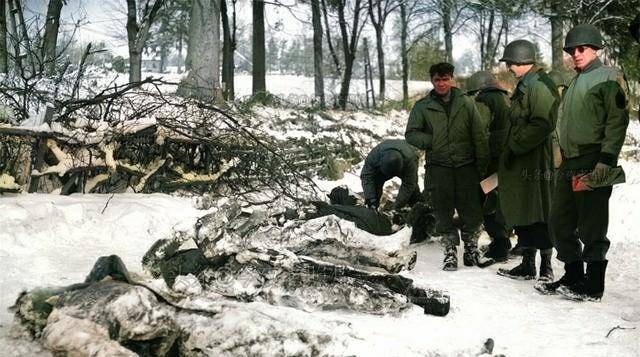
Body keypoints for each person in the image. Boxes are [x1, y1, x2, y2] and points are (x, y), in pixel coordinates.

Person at [536, 24, 629, 301]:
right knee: (559, 221)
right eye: (572, 50)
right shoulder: (575, 81)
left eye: (581, 49)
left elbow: (617, 121)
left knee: (592, 222)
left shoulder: (609, 77)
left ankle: (594, 284)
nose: (576, 54)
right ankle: (574, 274)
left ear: (595, 49)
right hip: (570, 162)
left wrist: (606, 160)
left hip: (593, 159)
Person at [405, 62, 490, 271]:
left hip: (466, 165)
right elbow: (411, 134)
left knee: (471, 209)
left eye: (445, 79)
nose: (441, 83)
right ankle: (450, 251)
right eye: (437, 80)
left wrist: (482, 165)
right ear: (431, 81)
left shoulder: (466, 103)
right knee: (442, 210)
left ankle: (471, 249)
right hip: (439, 166)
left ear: (452, 79)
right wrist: (432, 141)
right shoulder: (422, 106)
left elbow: (478, 134)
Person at [495, 40, 558, 282]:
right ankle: (527, 264)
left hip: (534, 160)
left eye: (510, 62)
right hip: (523, 159)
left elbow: (542, 124)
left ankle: (546, 267)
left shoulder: (540, 85)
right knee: (523, 209)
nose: (508, 67)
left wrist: (515, 146)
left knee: (540, 209)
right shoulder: (527, 83)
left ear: (521, 61)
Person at [465, 71, 512, 262]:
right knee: (503, 199)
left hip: (492, 157)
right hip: (508, 156)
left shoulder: (485, 100)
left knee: (487, 199)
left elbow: (480, 130)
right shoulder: (505, 97)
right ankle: (508, 242)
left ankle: (500, 244)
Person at [360, 139, 420, 211]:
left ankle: (418, 211)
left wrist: (397, 206)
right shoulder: (374, 156)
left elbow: (408, 185)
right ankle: (373, 209)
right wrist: (371, 199)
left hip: (406, 160)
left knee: (413, 190)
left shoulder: (410, 162)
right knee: (374, 183)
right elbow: (366, 176)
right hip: (382, 167)